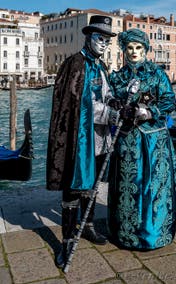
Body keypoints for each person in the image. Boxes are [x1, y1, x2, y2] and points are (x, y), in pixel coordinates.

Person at [46, 15, 120, 269]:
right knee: (73, 188)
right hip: (77, 139)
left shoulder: (100, 66)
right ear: (88, 37)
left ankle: (87, 225)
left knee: (93, 184)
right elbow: (78, 106)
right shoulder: (74, 65)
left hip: (99, 138)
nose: (104, 44)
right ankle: (67, 240)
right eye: (100, 39)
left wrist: (114, 103)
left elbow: (105, 94)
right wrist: (109, 113)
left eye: (107, 41)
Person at [107, 28, 176, 250]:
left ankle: (155, 233)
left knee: (152, 185)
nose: (134, 52)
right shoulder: (117, 78)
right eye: (130, 48)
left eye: (139, 47)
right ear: (124, 50)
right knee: (128, 185)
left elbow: (169, 100)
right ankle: (125, 232)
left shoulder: (157, 75)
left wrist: (150, 112)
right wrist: (115, 106)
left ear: (146, 50)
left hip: (153, 141)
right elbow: (108, 100)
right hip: (127, 141)